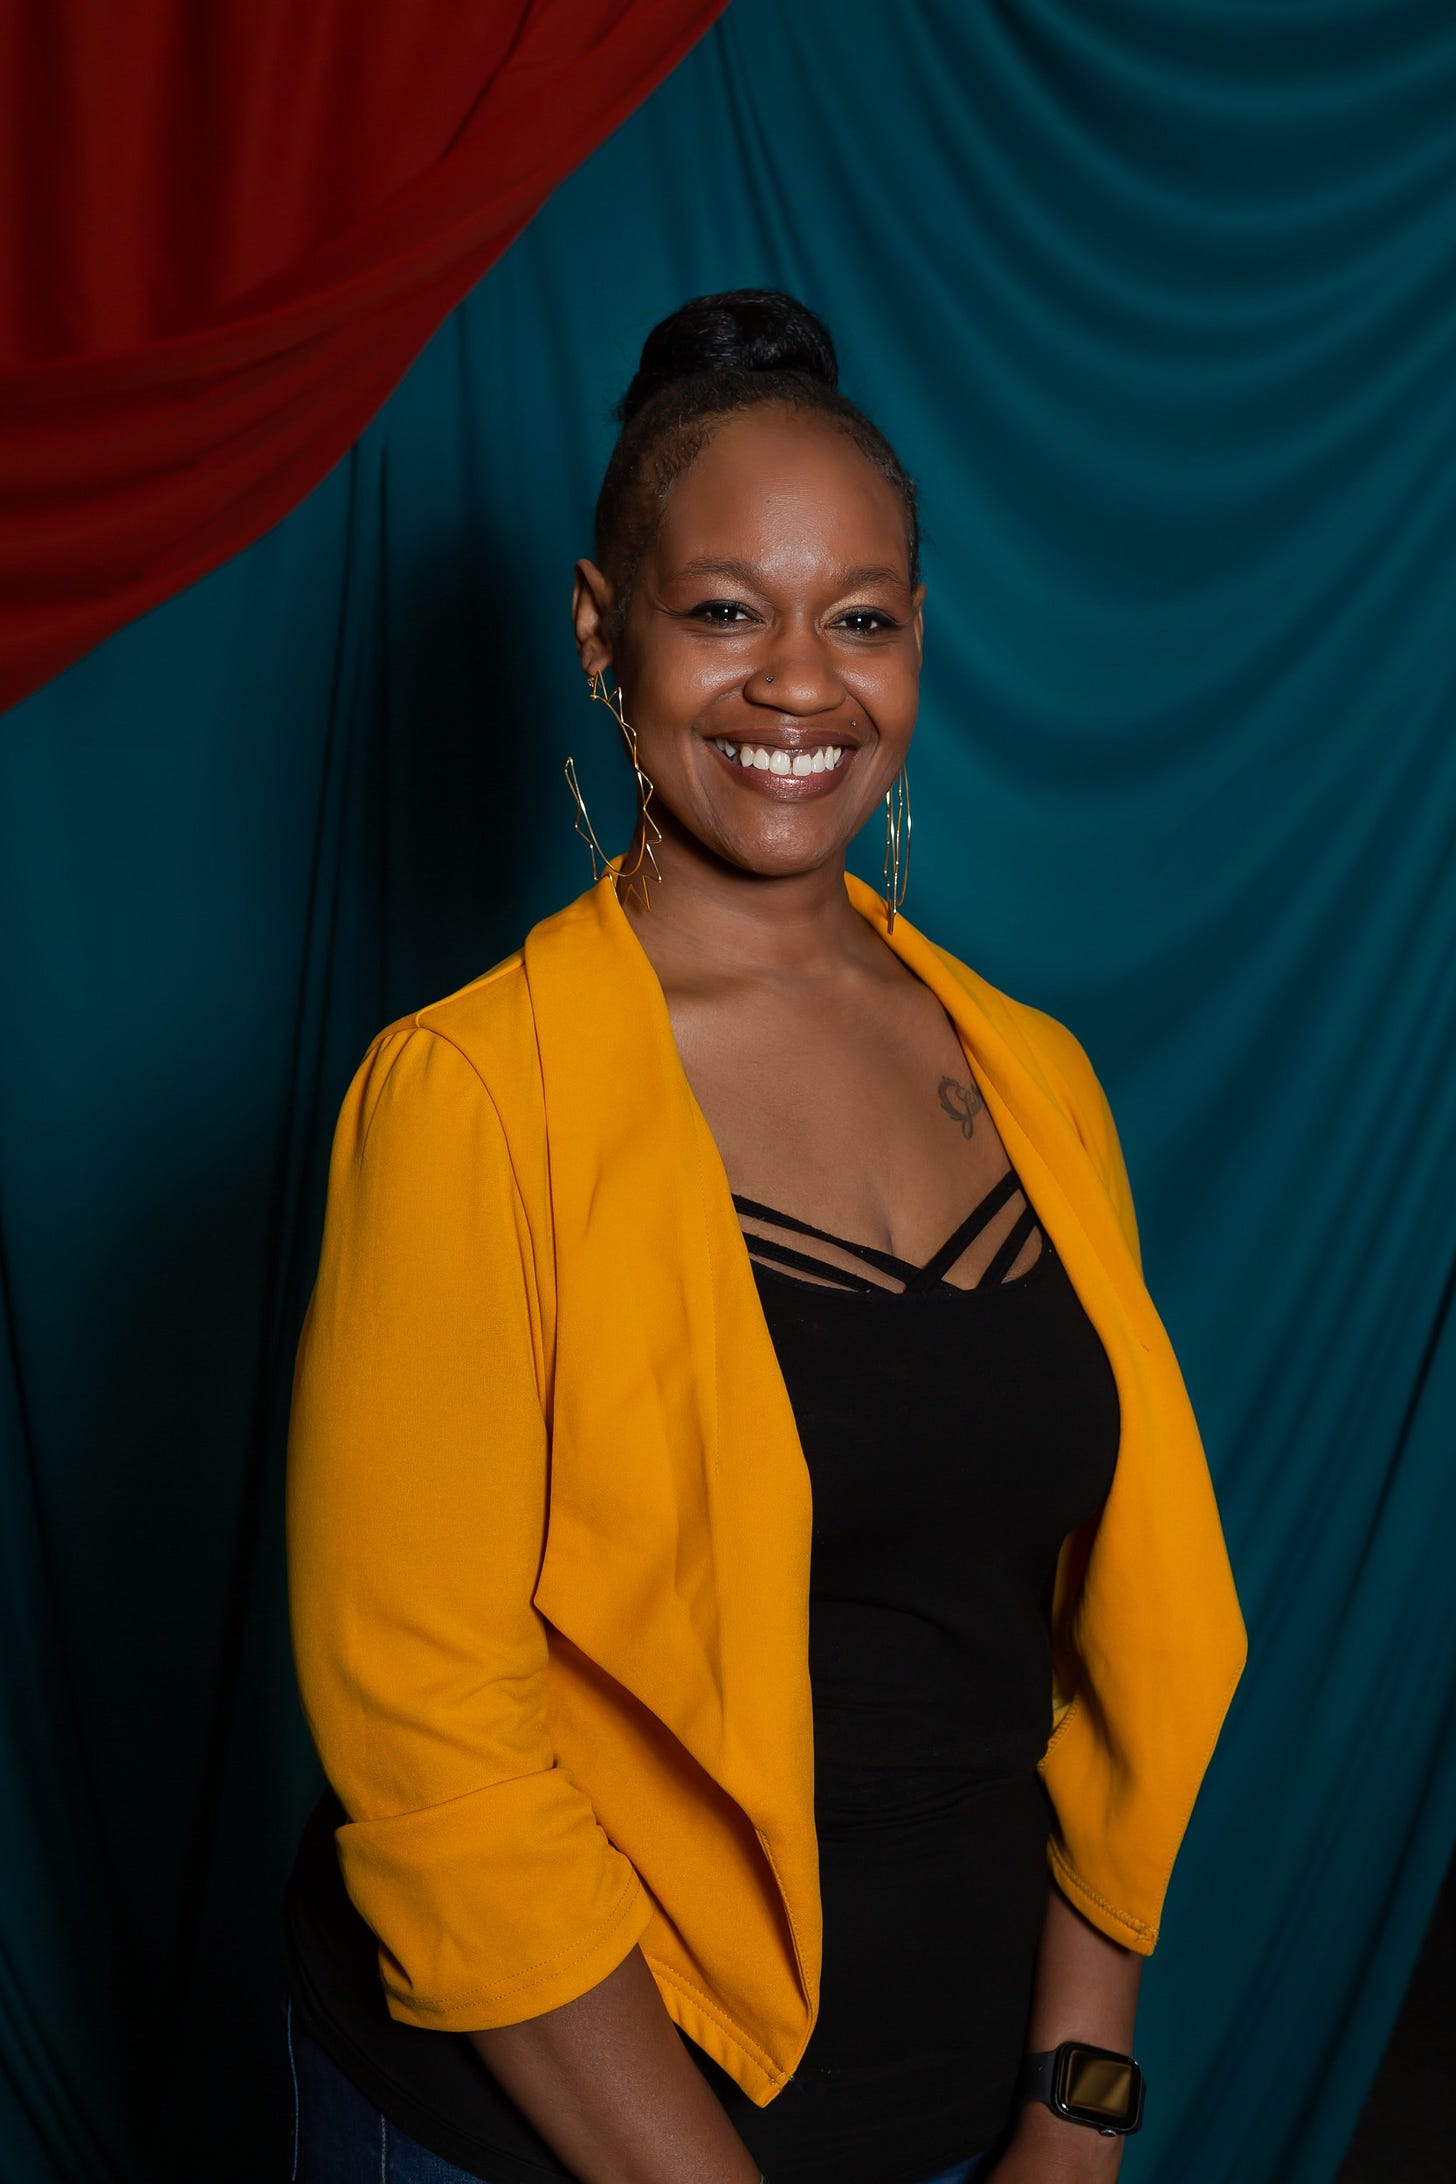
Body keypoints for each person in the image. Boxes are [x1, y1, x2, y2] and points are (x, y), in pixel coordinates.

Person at [280, 290, 1247, 2184]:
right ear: (601, 634)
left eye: (860, 617)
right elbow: (432, 1756)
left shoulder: (1035, 1077)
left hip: (970, 2120)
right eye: (725, 609)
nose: (799, 684)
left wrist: (1079, 2112)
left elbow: (1098, 1669)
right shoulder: (469, 1097)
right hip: (547, 2144)